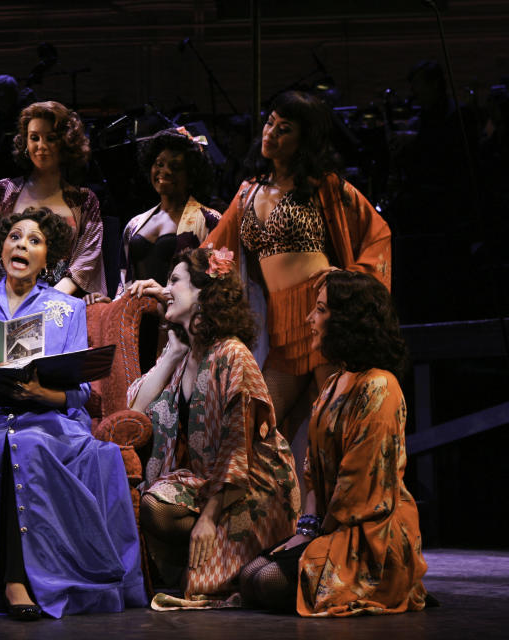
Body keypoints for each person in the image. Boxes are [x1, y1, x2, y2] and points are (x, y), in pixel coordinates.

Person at [0, 207, 144, 620]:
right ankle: (1, 579)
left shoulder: (67, 309)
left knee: (29, 443)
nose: (22, 244)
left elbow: (78, 394)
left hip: (46, 418)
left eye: (34, 240)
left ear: (47, 258)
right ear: (2, 248)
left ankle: (22, 578)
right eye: (15, 237)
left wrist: (42, 392)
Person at [239, 271, 429, 616]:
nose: (309, 318)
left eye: (321, 310)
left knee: (266, 580)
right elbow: (312, 469)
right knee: (249, 577)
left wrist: (314, 538)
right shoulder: (333, 384)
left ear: (347, 321)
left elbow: (357, 487)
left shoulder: (379, 387)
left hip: (370, 533)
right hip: (329, 524)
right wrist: (305, 530)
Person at [207, 90, 392, 442]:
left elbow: (378, 234)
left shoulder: (324, 186)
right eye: (269, 122)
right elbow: (214, 248)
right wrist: (167, 284)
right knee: (254, 427)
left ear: (304, 139)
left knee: (333, 430)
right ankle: (280, 498)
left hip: (322, 315)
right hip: (281, 327)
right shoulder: (248, 192)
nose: (270, 132)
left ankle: (335, 498)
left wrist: (351, 279)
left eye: (284, 128)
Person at [127, 247, 299, 610]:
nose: (164, 288)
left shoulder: (232, 354)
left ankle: (229, 551)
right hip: (208, 481)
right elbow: (133, 412)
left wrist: (207, 518)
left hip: (252, 485)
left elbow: (240, 447)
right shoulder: (183, 353)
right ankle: (214, 555)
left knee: (248, 580)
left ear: (204, 294)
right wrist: (172, 353)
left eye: (174, 281)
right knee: (155, 505)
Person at [0, 101, 107, 297]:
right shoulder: (4, 192)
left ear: (65, 142)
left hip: (63, 302)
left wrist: (49, 299)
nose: (41, 146)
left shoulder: (84, 201)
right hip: (9, 299)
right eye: (34, 138)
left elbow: (87, 258)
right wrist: (9, 295)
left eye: (51, 138)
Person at [118, 128, 221, 294]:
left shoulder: (210, 220)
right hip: (137, 316)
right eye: (159, 164)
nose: (164, 171)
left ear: (191, 175)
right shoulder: (134, 224)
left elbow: (215, 284)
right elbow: (123, 282)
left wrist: (165, 296)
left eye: (175, 166)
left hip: (180, 317)